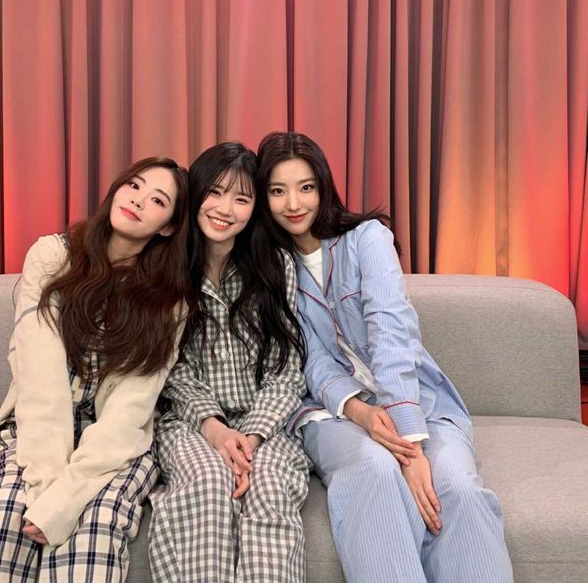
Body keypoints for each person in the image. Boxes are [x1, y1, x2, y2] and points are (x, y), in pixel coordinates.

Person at [256, 132, 513, 583]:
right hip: (332, 414)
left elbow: (392, 333)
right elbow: (309, 358)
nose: (293, 203)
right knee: (373, 468)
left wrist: (410, 446)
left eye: (306, 187)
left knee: (456, 490)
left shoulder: (367, 239)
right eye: (278, 191)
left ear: (324, 187)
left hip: (419, 404)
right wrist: (358, 411)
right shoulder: (272, 266)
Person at [0, 157, 190, 583]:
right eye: (134, 185)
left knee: (93, 532)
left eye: (157, 200)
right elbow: (40, 382)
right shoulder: (52, 255)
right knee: (6, 522)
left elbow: (130, 410)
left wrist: (67, 499)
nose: (137, 201)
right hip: (32, 433)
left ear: (167, 226)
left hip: (115, 446)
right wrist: (46, 489)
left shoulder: (170, 301)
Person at [148, 142, 310, 583]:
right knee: (206, 487)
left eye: (242, 198)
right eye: (216, 192)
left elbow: (287, 370)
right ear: (196, 193)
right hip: (189, 422)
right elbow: (167, 371)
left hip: (269, 425)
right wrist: (214, 427)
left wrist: (252, 436)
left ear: (255, 207)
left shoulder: (275, 266)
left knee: (271, 489)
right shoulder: (165, 268)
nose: (226, 209)